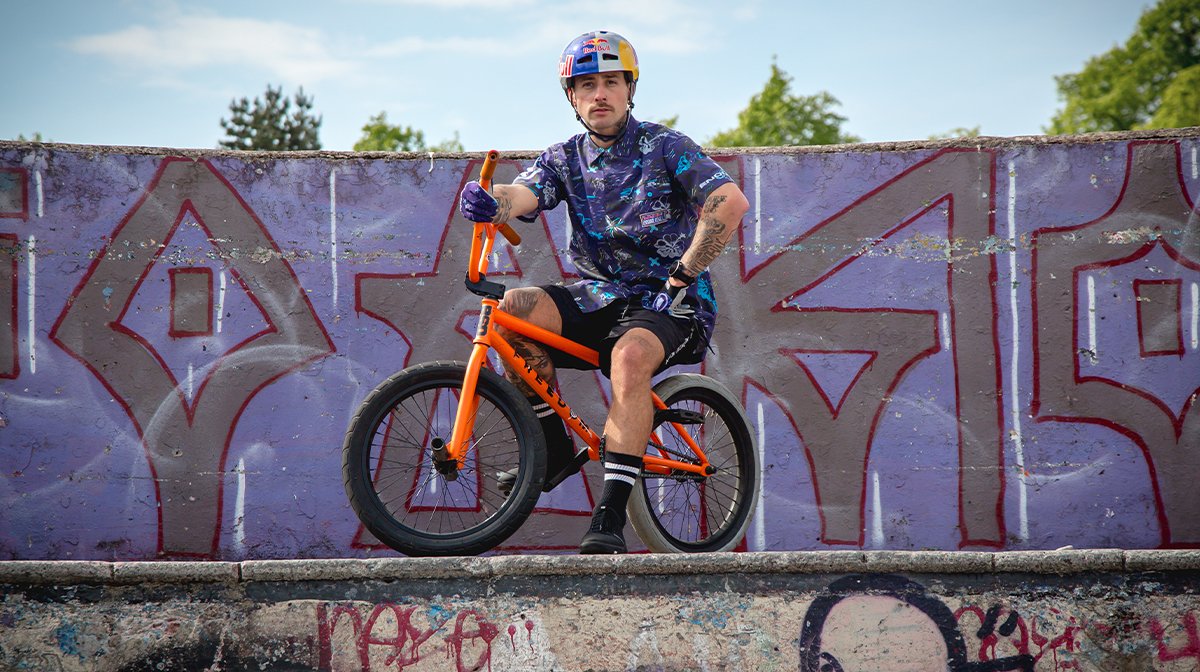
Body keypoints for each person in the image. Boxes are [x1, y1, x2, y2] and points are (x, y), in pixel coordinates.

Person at [458, 30, 749, 554]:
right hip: (600, 296)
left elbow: (729, 204)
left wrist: (680, 278)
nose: (599, 94)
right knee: (508, 313)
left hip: (673, 303)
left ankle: (610, 515)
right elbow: (522, 194)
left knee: (630, 354)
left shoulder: (667, 147)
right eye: (586, 84)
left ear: (629, 89)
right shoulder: (563, 158)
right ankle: (549, 446)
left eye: (611, 82)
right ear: (571, 96)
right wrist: (491, 201)